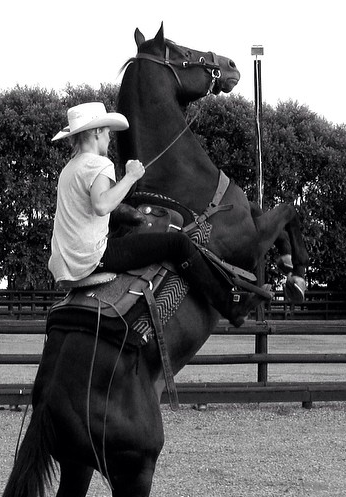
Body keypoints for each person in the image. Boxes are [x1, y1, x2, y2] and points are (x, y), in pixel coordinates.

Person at [49, 101, 259, 327]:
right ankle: (230, 305)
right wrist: (130, 176)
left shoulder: (70, 168)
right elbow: (102, 205)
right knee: (178, 244)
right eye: (107, 131)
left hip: (64, 264)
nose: (110, 138)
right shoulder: (99, 164)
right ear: (96, 132)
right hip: (92, 258)